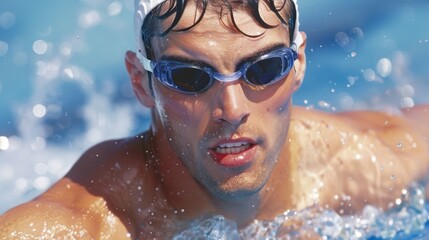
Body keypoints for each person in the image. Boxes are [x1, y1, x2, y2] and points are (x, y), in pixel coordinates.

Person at [1, 0, 429, 238]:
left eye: (264, 69)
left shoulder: (353, 165)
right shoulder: (92, 225)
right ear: (140, 81)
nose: (232, 109)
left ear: (298, 63)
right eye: (190, 77)